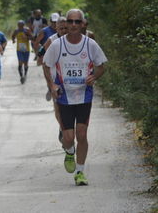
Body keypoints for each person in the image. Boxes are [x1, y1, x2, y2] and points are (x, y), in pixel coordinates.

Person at [43, 9, 107, 186]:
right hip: (64, 96)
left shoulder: (90, 44)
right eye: (70, 21)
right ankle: (69, 151)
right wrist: (52, 85)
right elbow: (46, 65)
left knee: (82, 133)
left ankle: (80, 172)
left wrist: (94, 76)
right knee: (68, 138)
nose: (73, 25)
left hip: (84, 95)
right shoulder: (57, 44)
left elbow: (101, 66)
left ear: (82, 24)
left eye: (77, 22)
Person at [41, 16, 67, 142]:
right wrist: (50, 84)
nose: (63, 30)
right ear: (56, 28)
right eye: (61, 28)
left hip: (71, 81)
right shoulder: (51, 41)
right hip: (56, 80)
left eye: (65, 28)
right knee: (58, 108)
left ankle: (67, 129)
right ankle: (62, 128)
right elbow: (45, 62)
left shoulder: (74, 39)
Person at [35, 13, 60, 100]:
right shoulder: (44, 31)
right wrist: (38, 55)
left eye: (56, 22)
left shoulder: (62, 30)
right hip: (46, 56)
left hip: (58, 57)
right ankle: (50, 87)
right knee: (47, 74)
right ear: (50, 21)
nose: (54, 24)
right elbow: (37, 42)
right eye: (53, 22)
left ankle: (56, 91)